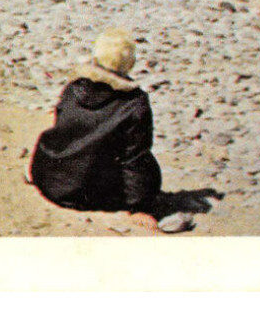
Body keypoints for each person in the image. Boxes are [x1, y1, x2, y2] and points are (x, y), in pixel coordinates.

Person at [28, 28, 161, 228]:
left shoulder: (75, 87)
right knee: (146, 162)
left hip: (49, 180)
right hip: (88, 194)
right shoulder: (134, 103)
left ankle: (46, 173)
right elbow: (134, 158)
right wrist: (139, 207)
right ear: (130, 63)